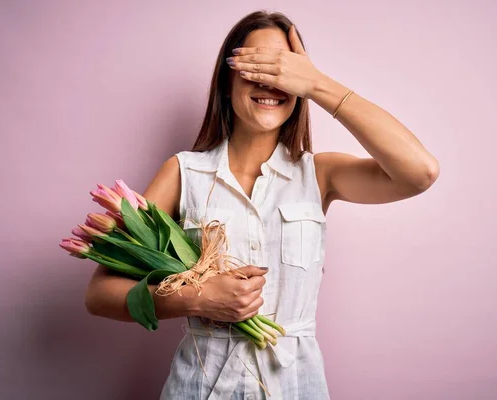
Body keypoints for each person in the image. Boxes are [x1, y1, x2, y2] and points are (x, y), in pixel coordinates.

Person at [84, 10, 439, 400]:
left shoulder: (320, 174)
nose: (271, 80)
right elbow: (100, 295)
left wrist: (318, 84)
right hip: (200, 387)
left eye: (283, 69)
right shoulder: (182, 172)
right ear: (226, 80)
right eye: (256, 66)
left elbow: (419, 172)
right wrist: (197, 298)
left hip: (296, 388)